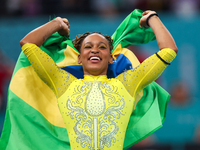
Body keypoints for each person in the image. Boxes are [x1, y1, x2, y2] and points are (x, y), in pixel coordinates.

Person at [18, 10, 178, 150]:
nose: (95, 49)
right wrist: (57, 23)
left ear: (110, 58)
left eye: (102, 47)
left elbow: (169, 50)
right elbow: (28, 44)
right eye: (88, 47)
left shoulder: (129, 82)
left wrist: (151, 17)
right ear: (79, 58)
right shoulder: (62, 82)